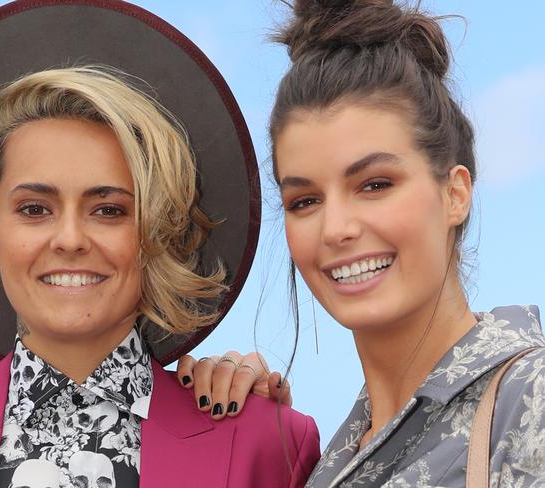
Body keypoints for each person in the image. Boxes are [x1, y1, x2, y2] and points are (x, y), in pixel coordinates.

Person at [0, 2, 319, 486]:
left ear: (158, 229)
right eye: (35, 209)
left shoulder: (271, 443)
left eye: (109, 210)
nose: (70, 239)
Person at [179, 0, 545, 486]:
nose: (336, 229)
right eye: (305, 200)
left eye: (375, 184)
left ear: (455, 194)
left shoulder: (529, 400)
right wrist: (234, 430)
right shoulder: (327, 465)